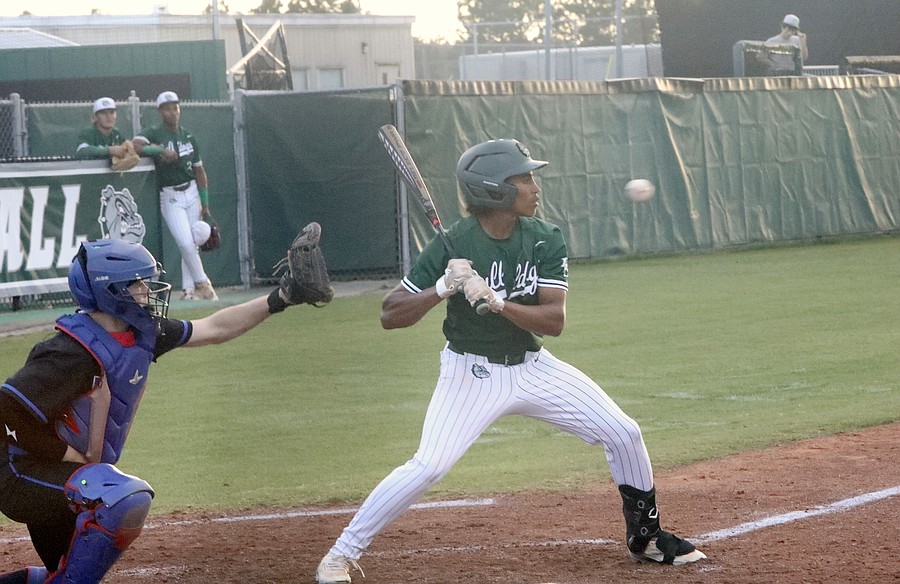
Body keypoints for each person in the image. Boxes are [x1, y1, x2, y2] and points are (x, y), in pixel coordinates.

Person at [314, 139, 706, 583]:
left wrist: (499, 304)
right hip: (471, 373)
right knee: (430, 465)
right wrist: (442, 288)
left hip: (533, 367)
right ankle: (339, 555)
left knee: (624, 432)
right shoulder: (454, 243)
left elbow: (553, 321)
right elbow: (390, 315)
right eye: (524, 179)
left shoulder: (543, 237)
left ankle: (646, 539)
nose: (535, 187)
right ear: (494, 190)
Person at [0, 235, 329, 584]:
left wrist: (282, 298)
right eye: (137, 284)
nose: (148, 290)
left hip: (62, 475)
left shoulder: (141, 333)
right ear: (111, 291)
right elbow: (5, 409)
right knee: (119, 497)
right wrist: (69, 455)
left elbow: (214, 328)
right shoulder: (70, 353)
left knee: (64, 571)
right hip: (19, 476)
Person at [133, 91, 218, 302]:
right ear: (160, 112)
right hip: (170, 194)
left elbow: (199, 171)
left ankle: (188, 291)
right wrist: (158, 150)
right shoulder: (155, 133)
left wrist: (205, 204)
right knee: (185, 243)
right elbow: (135, 146)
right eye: (168, 109)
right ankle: (204, 284)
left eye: (175, 108)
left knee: (195, 240)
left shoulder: (188, 137)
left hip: (191, 191)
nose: (173, 112)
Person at [74, 97, 132, 162]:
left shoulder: (116, 133)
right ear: (95, 117)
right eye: (104, 113)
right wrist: (109, 150)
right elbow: (81, 151)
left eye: (112, 112)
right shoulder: (88, 132)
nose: (109, 117)